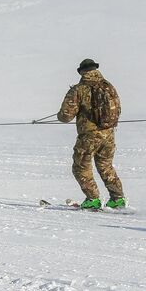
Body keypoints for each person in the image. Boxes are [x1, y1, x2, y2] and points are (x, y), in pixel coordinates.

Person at [57, 58, 125, 210]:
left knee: (80, 167)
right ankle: (118, 199)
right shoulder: (109, 86)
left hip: (89, 135)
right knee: (105, 166)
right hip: (108, 134)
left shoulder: (78, 89)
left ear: (81, 71)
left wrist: (60, 115)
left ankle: (93, 199)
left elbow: (65, 116)